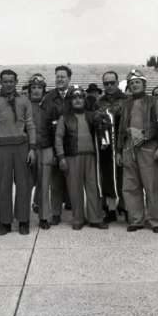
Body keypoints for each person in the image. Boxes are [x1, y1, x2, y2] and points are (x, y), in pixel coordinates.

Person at [0, 69, 36, 235]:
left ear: (16, 82)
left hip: (21, 146)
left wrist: (32, 148)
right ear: (0, 82)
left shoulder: (24, 100)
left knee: (23, 185)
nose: (8, 84)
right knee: (3, 185)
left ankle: (23, 221)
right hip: (2, 147)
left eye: (11, 81)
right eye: (5, 81)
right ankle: (5, 222)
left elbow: (30, 125)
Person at [116, 69, 158, 233]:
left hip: (148, 147)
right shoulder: (126, 104)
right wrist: (118, 151)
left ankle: (156, 221)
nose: (134, 85)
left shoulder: (154, 101)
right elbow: (120, 129)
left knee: (151, 185)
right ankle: (136, 220)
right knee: (131, 186)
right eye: (132, 83)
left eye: (137, 82)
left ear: (144, 84)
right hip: (128, 147)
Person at [55, 87, 107, 230]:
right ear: (70, 101)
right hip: (72, 157)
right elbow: (58, 138)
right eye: (74, 97)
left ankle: (95, 218)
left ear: (84, 100)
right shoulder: (64, 118)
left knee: (93, 188)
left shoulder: (92, 116)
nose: (77, 100)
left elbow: (102, 130)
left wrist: (102, 121)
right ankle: (78, 218)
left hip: (91, 156)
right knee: (75, 189)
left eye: (80, 97)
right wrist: (61, 157)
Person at [39, 65, 73, 225]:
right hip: (54, 144)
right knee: (56, 181)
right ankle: (56, 212)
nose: (60, 79)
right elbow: (44, 126)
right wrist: (50, 149)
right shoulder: (49, 98)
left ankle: (77, 210)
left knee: (74, 180)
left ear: (69, 79)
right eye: (58, 76)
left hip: (73, 144)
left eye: (63, 77)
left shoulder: (76, 95)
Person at [93, 70, 128, 223]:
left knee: (125, 177)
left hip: (123, 144)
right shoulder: (99, 102)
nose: (109, 86)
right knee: (108, 176)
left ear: (117, 82)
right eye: (106, 83)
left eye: (112, 83)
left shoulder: (127, 100)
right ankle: (111, 209)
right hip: (106, 146)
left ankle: (126, 207)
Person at [27, 73, 51, 229]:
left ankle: (44, 217)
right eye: (34, 87)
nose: (36, 90)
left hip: (45, 148)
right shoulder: (24, 105)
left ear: (44, 90)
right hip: (29, 148)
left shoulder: (49, 106)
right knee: (27, 183)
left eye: (39, 87)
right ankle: (23, 217)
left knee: (44, 183)